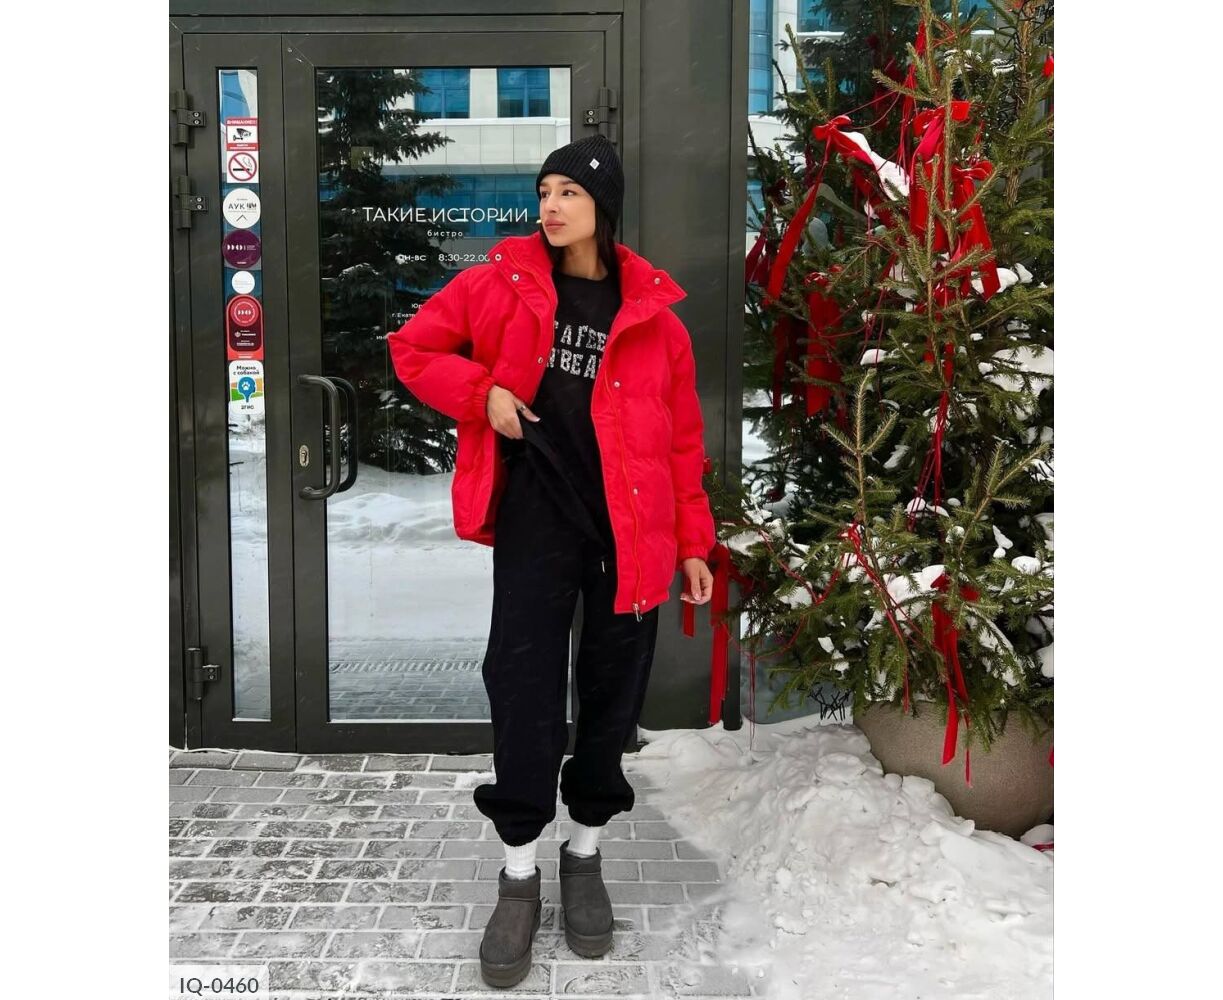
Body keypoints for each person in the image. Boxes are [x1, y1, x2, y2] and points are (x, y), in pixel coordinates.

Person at [387, 133, 715, 987]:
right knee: (524, 687)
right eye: (543, 192)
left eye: (568, 191)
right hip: (538, 519)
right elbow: (412, 349)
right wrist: (483, 394)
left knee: (611, 694)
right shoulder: (499, 284)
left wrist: (693, 543)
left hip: (630, 531)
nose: (551, 206)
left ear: (604, 204)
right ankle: (519, 871)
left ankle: (585, 854)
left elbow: (682, 443)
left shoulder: (655, 319)